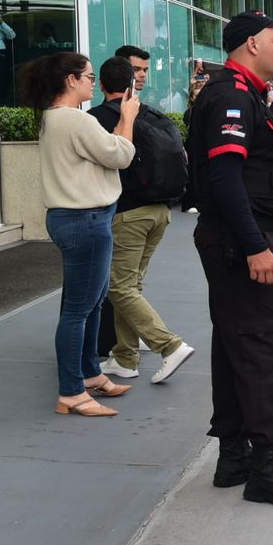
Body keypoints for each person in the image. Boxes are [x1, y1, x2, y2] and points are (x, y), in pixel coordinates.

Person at [187, 11, 273, 507]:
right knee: (264, 347)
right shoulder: (230, 97)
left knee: (235, 343)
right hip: (239, 240)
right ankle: (266, 463)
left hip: (235, 237)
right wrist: (255, 246)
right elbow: (223, 180)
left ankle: (234, 455)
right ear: (249, 45)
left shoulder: (242, 94)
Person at [20, 52, 138, 416]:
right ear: (70, 80)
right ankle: (72, 390)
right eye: (87, 76)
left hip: (76, 219)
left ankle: (88, 374)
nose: (92, 81)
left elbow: (106, 152)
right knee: (80, 310)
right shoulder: (74, 120)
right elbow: (121, 156)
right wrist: (128, 118)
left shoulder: (54, 119)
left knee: (89, 303)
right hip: (86, 221)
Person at [89, 56, 196, 384]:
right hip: (160, 212)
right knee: (129, 285)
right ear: (130, 84)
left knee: (119, 286)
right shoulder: (151, 113)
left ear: (102, 85)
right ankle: (124, 357)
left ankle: (169, 346)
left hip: (128, 214)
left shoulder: (96, 118)